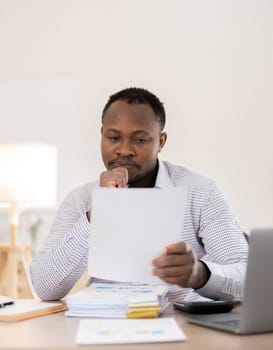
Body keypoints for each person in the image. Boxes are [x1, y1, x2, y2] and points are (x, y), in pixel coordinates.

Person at [30, 87, 248, 302]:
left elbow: (246, 278)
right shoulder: (81, 199)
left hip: (180, 323)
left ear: (161, 142)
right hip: (105, 321)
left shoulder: (201, 191)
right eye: (113, 137)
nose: (124, 150)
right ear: (102, 135)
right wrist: (96, 214)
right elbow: (45, 288)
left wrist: (199, 274)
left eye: (140, 139)